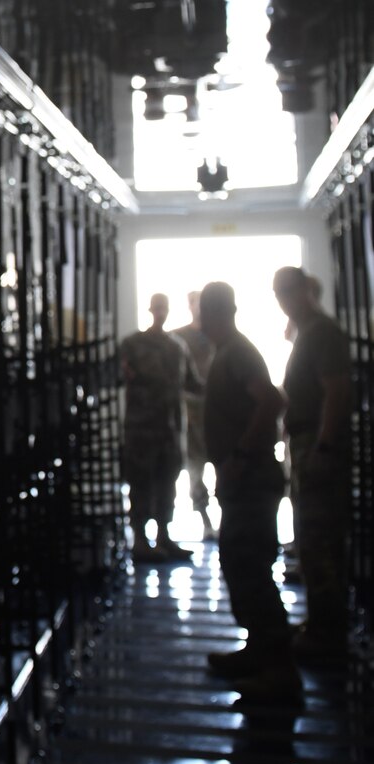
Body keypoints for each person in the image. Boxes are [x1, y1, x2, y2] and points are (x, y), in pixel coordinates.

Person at [200, 281, 301, 703]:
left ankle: (280, 672)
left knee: (251, 568)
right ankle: (260, 653)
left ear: (212, 314)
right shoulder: (228, 352)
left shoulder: (238, 353)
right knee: (240, 565)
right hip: (245, 480)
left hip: (252, 479)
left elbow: (271, 401)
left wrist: (240, 455)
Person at [273, 266, 352, 663]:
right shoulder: (307, 334)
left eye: (289, 291)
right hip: (306, 444)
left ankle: (328, 632)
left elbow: (335, 392)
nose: (284, 300)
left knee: (320, 541)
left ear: (306, 289)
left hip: (318, 448)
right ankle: (321, 622)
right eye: (279, 294)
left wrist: (323, 445)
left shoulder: (321, 332)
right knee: (310, 537)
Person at [119, 292, 191, 561]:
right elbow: (120, 375)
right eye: (157, 307)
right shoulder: (133, 344)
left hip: (170, 429)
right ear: (150, 309)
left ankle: (164, 535)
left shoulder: (177, 347)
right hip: (141, 429)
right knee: (140, 483)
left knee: (167, 484)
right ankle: (139, 539)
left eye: (164, 307)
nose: (161, 312)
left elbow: (191, 382)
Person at [172, 288, 216, 540]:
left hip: (218, 411)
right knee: (195, 470)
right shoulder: (179, 338)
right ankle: (205, 520)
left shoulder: (218, 335)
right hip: (192, 415)